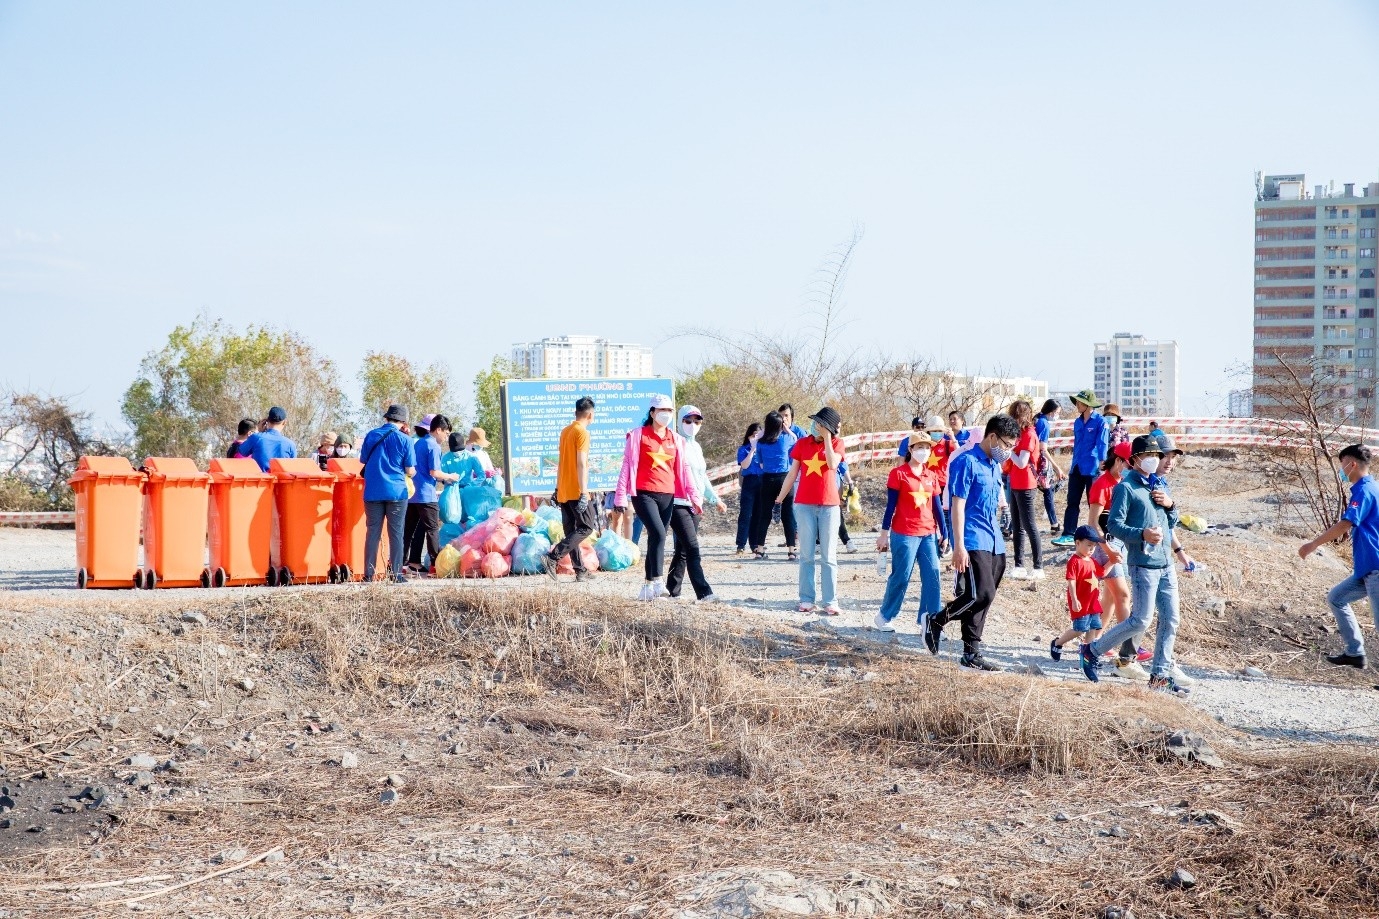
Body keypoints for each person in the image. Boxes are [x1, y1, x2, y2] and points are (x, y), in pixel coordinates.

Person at [1078, 435, 1188, 695]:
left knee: (1171, 619)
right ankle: (1091, 650)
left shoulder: (1160, 484)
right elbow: (1114, 525)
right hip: (1143, 563)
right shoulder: (1125, 488)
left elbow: (1171, 523)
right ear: (1134, 460)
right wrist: (1141, 534)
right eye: (1150, 455)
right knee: (1141, 620)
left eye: (1157, 456)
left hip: (1166, 563)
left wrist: (1171, 506)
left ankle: (1159, 675)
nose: (1156, 460)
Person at [922, 414, 1020, 671]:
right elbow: (957, 505)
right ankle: (936, 620)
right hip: (972, 536)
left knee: (986, 597)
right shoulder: (966, 461)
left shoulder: (993, 465)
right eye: (1007, 445)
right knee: (980, 593)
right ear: (992, 437)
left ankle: (971, 652)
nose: (1008, 451)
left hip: (994, 538)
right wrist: (959, 545)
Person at [613, 394, 702, 601]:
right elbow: (626, 465)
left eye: (670, 411)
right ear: (652, 413)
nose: (666, 414)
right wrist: (620, 497)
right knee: (660, 534)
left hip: (668, 494)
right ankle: (659, 581)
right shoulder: (638, 435)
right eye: (662, 411)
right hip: (643, 493)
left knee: (655, 538)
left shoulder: (676, 439)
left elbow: (685, 469)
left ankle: (647, 586)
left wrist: (694, 496)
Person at [1301, 444, 1379, 670]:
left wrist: (1313, 544)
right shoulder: (1370, 488)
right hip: (1367, 569)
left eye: (1342, 464)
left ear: (1352, 464)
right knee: (1337, 597)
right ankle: (1355, 652)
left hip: (1375, 567)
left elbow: (1346, 523)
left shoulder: (1365, 491)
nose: (1341, 470)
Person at [775, 407, 846, 615]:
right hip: (804, 504)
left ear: (830, 428)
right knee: (806, 554)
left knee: (828, 556)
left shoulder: (837, 444)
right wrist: (779, 499)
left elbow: (833, 464)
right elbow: (791, 474)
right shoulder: (802, 444)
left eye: (821, 424)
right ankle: (806, 599)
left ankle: (830, 601)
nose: (816, 426)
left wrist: (826, 439)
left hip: (830, 506)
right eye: (816, 422)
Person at [1087, 441, 1149, 680]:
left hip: (1119, 544)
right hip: (1105, 546)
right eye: (1127, 462)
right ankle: (1129, 647)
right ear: (1119, 460)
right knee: (1122, 595)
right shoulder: (1102, 485)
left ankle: (1093, 644)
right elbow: (1093, 522)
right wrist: (1107, 550)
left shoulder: (1122, 484)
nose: (1129, 466)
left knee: (1111, 599)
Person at [873, 431, 946, 632]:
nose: (924, 451)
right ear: (911, 450)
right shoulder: (898, 474)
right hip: (904, 533)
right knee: (901, 576)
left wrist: (945, 533)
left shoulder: (931, 475)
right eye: (919, 447)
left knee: (932, 575)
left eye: (927, 447)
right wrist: (883, 534)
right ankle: (885, 615)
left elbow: (937, 507)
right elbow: (890, 507)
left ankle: (929, 620)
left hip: (928, 533)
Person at [665, 405, 722, 601]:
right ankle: (703, 591)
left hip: (696, 503)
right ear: (679, 421)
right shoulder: (674, 442)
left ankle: (672, 590)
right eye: (687, 421)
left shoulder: (696, 447)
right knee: (692, 547)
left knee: (682, 549)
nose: (692, 425)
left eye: (697, 422)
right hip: (678, 501)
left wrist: (715, 499)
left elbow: (701, 476)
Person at [360, 404, 416, 583]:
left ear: (386, 418)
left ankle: (369, 575)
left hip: (373, 491)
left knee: (372, 533)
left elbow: (363, 460)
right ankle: (396, 574)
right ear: (403, 421)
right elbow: (410, 469)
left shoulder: (371, 435)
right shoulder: (406, 440)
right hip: (397, 492)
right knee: (396, 533)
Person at [545, 397, 598, 583]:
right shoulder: (581, 432)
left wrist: (557, 488)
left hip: (564, 491)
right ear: (590, 414)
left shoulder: (566, 431)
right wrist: (584, 492)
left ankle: (580, 570)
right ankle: (553, 557)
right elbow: (581, 463)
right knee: (586, 527)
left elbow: (561, 463)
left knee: (571, 531)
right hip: (576, 490)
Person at [1052, 390, 1108, 548]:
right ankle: (1068, 534)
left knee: (1094, 503)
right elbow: (1076, 444)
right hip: (1076, 466)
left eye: (1080, 402)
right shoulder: (1077, 422)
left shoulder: (1100, 422)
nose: (1077, 405)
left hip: (1092, 467)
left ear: (1088, 404)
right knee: (1072, 501)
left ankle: (1098, 534)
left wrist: (1103, 460)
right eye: (1076, 402)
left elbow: (1102, 442)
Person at [405, 414, 460, 574]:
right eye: (446, 433)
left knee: (408, 531)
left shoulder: (418, 443)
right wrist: (451, 476)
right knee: (432, 530)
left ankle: (401, 565)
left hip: (412, 495)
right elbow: (434, 472)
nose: (446, 437)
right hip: (426, 495)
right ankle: (435, 566)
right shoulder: (434, 446)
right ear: (438, 430)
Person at [1050, 525, 1110, 660]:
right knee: (1079, 629)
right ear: (1077, 543)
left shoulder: (1092, 560)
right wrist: (1074, 599)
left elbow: (1102, 572)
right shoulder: (1074, 561)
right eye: (1089, 545)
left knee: (1092, 628)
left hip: (1092, 602)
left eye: (1094, 546)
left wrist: (1112, 561)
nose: (1092, 549)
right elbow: (1071, 581)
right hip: (1081, 601)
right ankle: (1057, 643)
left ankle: (1088, 655)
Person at [1004, 400, 1044, 580]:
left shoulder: (1029, 434)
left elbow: (1021, 462)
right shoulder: (1018, 433)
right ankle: (1019, 565)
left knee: (1029, 526)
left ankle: (1038, 566)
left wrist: (1010, 449)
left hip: (1026, 484)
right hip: (1014, 483)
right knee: (1017, 526)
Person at [749, 411, 796, 559]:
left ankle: (760, 549)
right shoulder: (786, 438)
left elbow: (760, 463)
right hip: (784, 479)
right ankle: (791, 551)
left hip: (767, 479)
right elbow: (796, 439)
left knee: (765, 515)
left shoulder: (761, 443)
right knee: (787, 515)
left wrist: (765, 430)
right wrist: (787, 429)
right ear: (780, 425)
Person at [776, 404, 807, 550]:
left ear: (792, 417)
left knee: (797, 507)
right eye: (781, 415)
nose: (783, 419)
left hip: (798, 475)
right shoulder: (776, 433)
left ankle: (801, 536)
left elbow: (808, 450)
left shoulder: (799, 432)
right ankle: (792, 537)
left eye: (786, 415)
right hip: (783, 476)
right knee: (787, 509)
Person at [1034, 399, 1065, 533]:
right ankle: (1054, 523)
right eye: (1057, 413)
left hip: (1032, 460)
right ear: (1052, 412)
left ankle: (1009, 527)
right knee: (1049, 491)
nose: (1057, 415)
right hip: (1041, 462)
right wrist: (1056, 466)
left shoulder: (1036, 419)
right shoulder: (1044, 424)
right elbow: (1043, 449)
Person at [735, 422, 765, 555]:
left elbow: (765, 467)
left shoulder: (764, 449)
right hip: (749, 482)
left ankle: (755, 544)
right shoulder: (743, 449)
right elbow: (745, 466)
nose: (755, 438)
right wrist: (752, 450)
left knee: (758, 516)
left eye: (758, 436)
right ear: (748, 436)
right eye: (753, 435)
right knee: (746, 514)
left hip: (762, 483)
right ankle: (740, 545)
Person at [237, 406, 297, 472]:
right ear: (284, 422)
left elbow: (242, 452)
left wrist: (258, 432)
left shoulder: (256, 437)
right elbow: (292, 468)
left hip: (260, 481)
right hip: (280, 481)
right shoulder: (290, 444)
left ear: (267, 420)